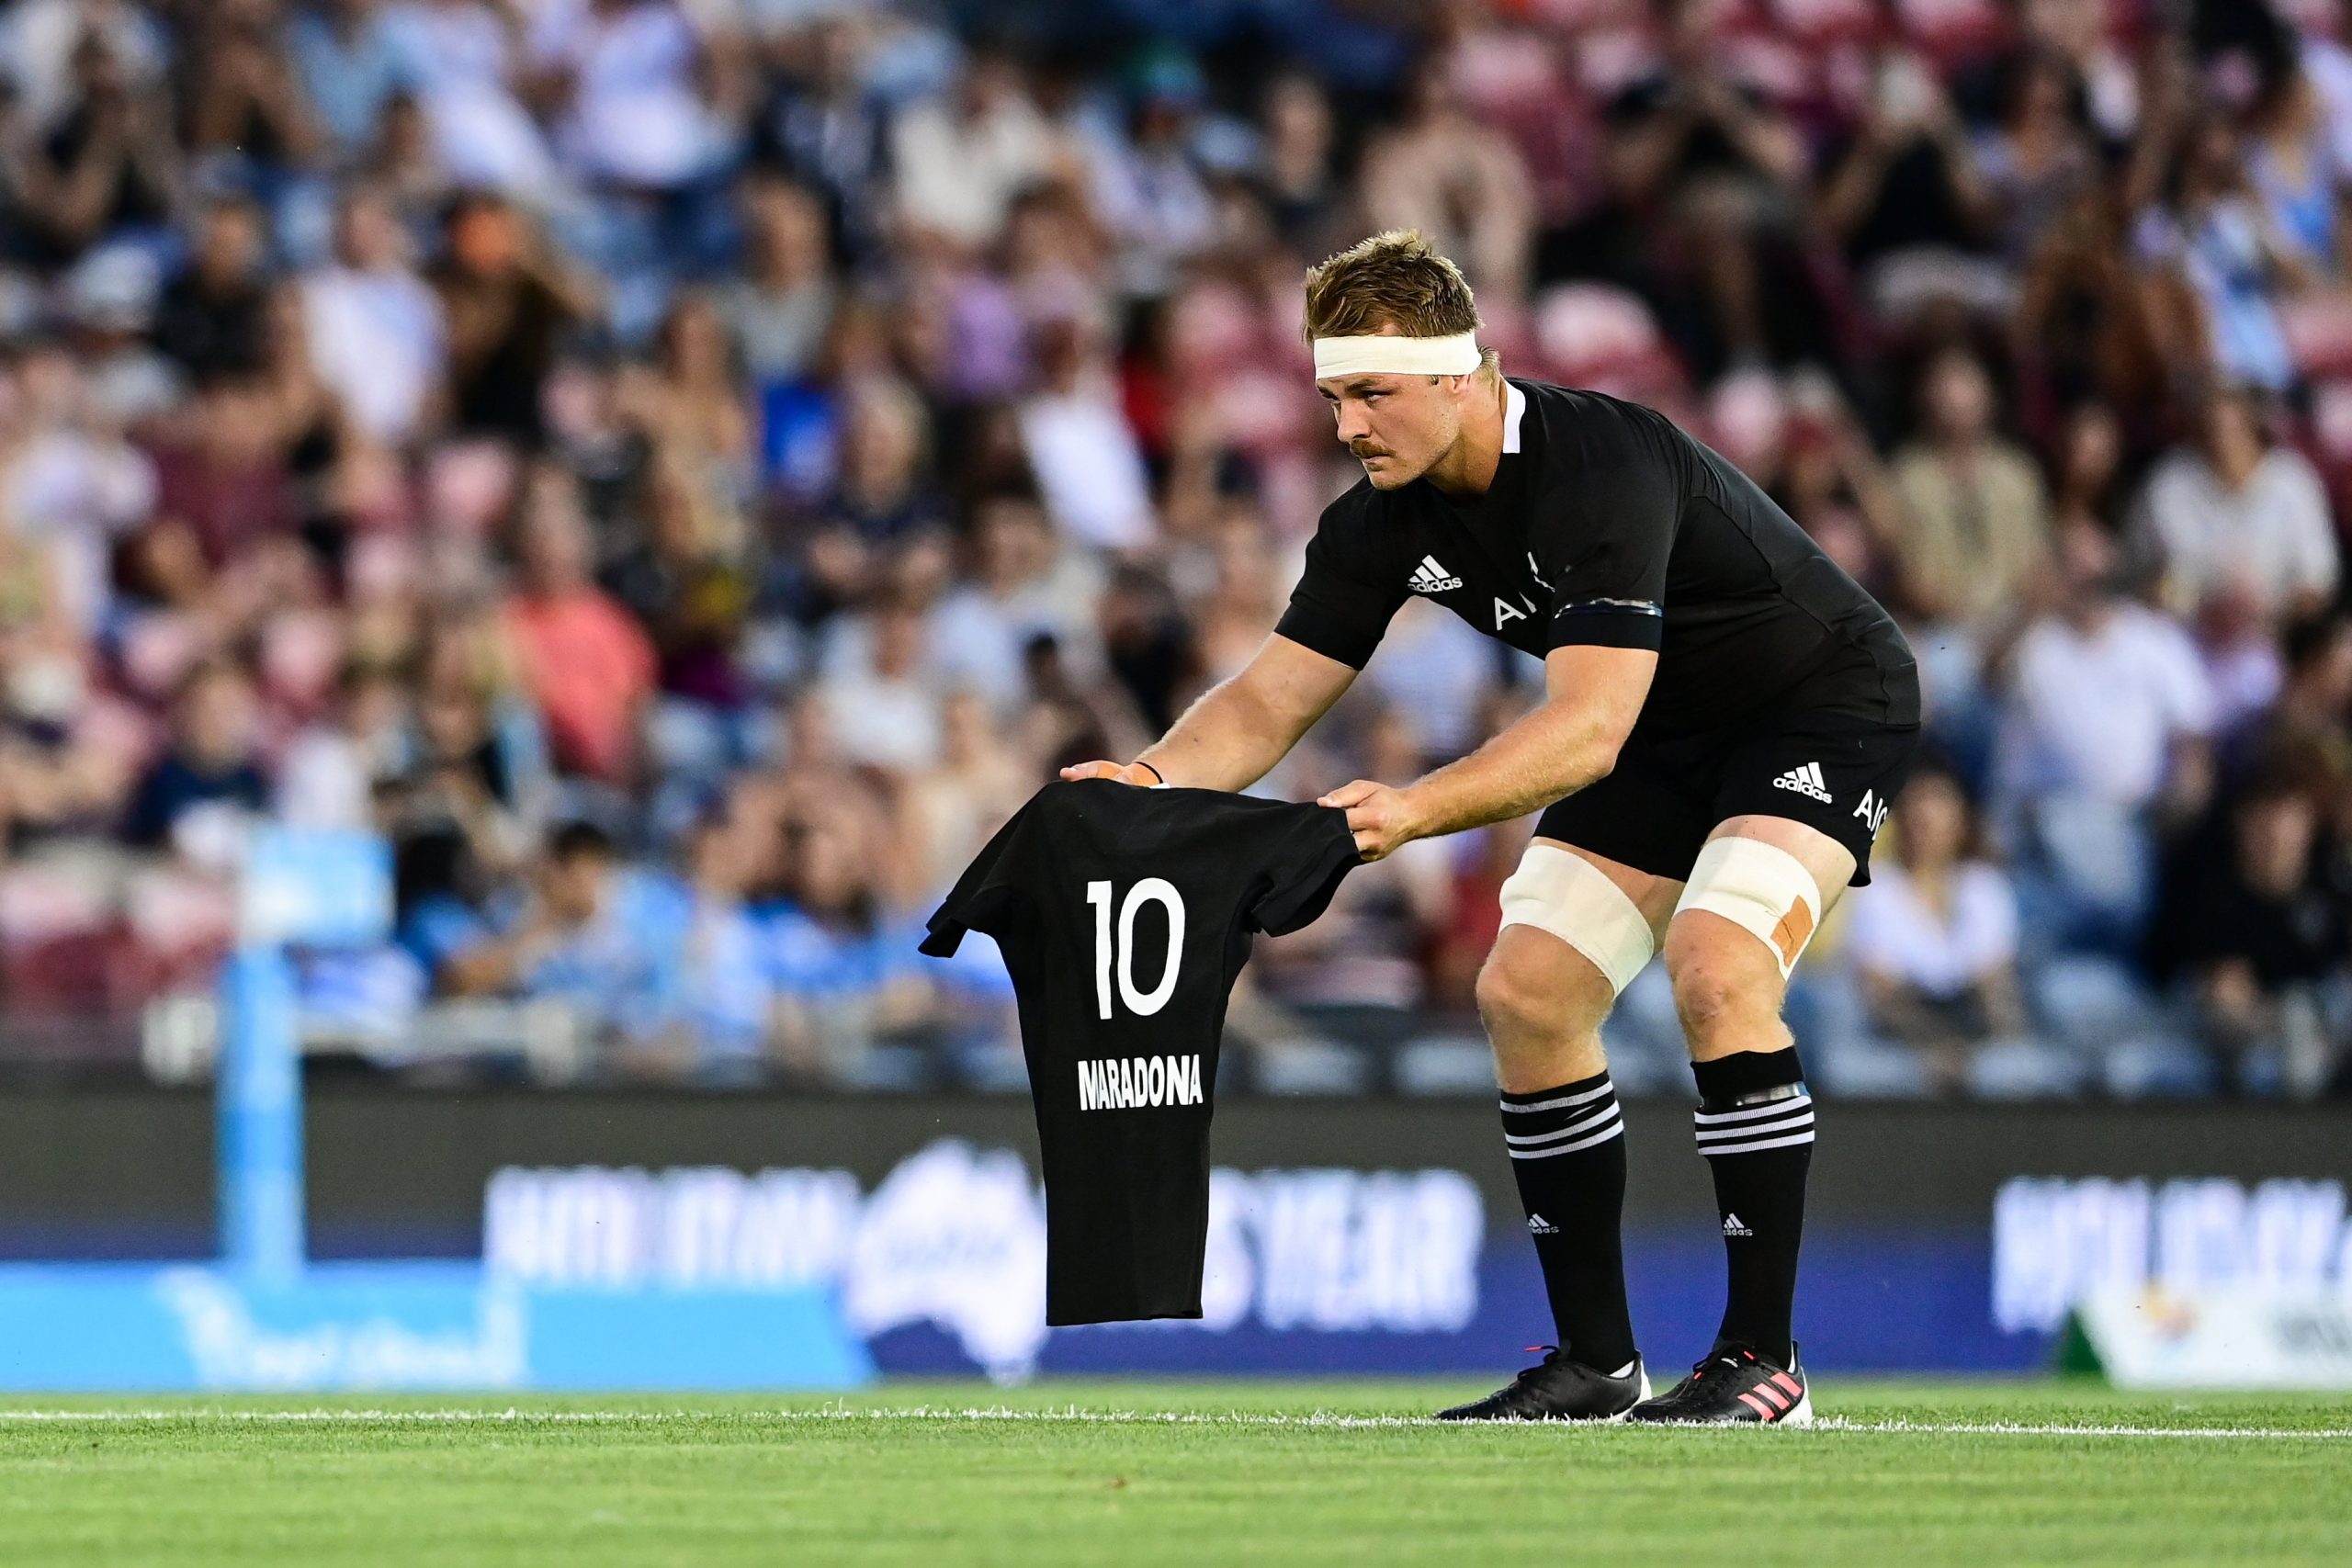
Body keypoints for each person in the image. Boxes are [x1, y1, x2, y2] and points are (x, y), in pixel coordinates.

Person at [1061, 230, 1920, 1424]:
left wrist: (1410, 811)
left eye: (1373, 393)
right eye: (1333, 396)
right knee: (1526, 993)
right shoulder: (1379, 523)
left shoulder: (1600, 463)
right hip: (1659, 728)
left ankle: (1764, 1359)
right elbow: (1267, 699)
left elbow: (1585, 733)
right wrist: (1143, 785)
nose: (1349, 426)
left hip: (1815, 702)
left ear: (1464, 376)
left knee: (1720, 966)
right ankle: (1595, 1364)